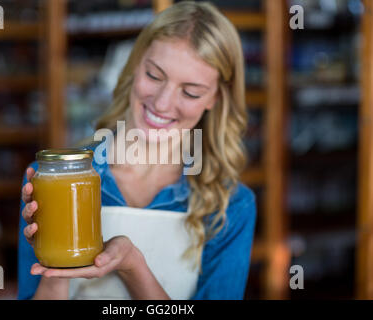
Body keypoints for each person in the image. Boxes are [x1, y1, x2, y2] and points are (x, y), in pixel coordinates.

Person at [18, 1, 256, 300]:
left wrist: (133, 266)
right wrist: (53, 266)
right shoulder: (51, 178)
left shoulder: (231, 206)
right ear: (134, 66)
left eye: (190, 91)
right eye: (154, 75)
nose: (162, 103)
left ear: (215, 98)